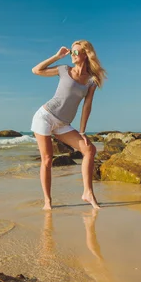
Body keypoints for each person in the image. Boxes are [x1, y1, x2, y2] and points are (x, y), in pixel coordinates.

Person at [31, 40, 107, 210]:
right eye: (71, 52)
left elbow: (87, 106)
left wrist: (82, 131)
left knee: (89, 150)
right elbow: (36, 70)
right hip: (45, 117)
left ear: (85, 54)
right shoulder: (64, 69)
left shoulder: (91, 81)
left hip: (63, 123)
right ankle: (47, 201)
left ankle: (87, 192)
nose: (72, 55)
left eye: (76, 52)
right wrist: (57, 56)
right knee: (47, 159)